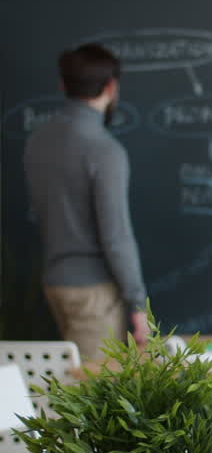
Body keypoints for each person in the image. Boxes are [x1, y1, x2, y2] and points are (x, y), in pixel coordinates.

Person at [24, 44, 148, 359]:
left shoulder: (36, 141)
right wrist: (138, 304)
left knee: (72, 389)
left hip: (54, 283)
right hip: (94, 291)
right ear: (111, 87)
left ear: (63, 85)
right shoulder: (105, 151)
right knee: (95, 399)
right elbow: (116, 236)